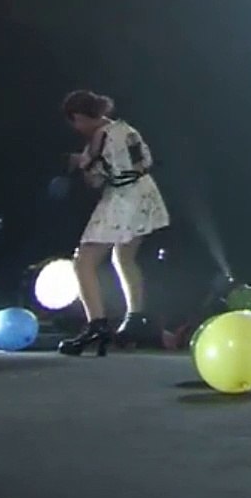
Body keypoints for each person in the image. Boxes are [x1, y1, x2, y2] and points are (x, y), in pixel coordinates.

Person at [57, 90, 170, 356]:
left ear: (80, 117)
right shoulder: (125, 129)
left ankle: (96, 324)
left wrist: (82, 163)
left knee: (84, 262)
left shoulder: (100, 138)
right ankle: (135, 318)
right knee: (124, 258)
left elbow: (97, 180)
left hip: (122, 199)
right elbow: (142, 162)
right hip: (144, 193)